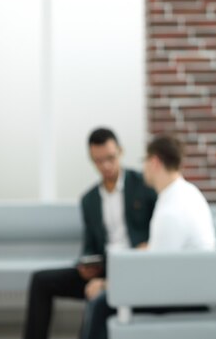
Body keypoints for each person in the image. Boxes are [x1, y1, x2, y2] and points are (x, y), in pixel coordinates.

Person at [23, 128, 157, 339]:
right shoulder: (89, 199)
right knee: (41, 281)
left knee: (95, 303)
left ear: (120, 152)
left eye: (110, 158)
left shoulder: (143, 185)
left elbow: (158, 234)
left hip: (133, 267)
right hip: (102, 267)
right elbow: (90, 244)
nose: (105, 166)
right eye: (98, 160)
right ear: (91, 159)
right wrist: (84, 263)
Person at [80, 134, 216, 339]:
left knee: (101, 304)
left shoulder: (170, 211)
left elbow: (154, 274)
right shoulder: (185, 193)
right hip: (191, 285)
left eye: (144, 161)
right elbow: (158, 255)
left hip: (182, 295)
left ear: (154, 162)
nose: (143, 168)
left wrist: (106, 283)